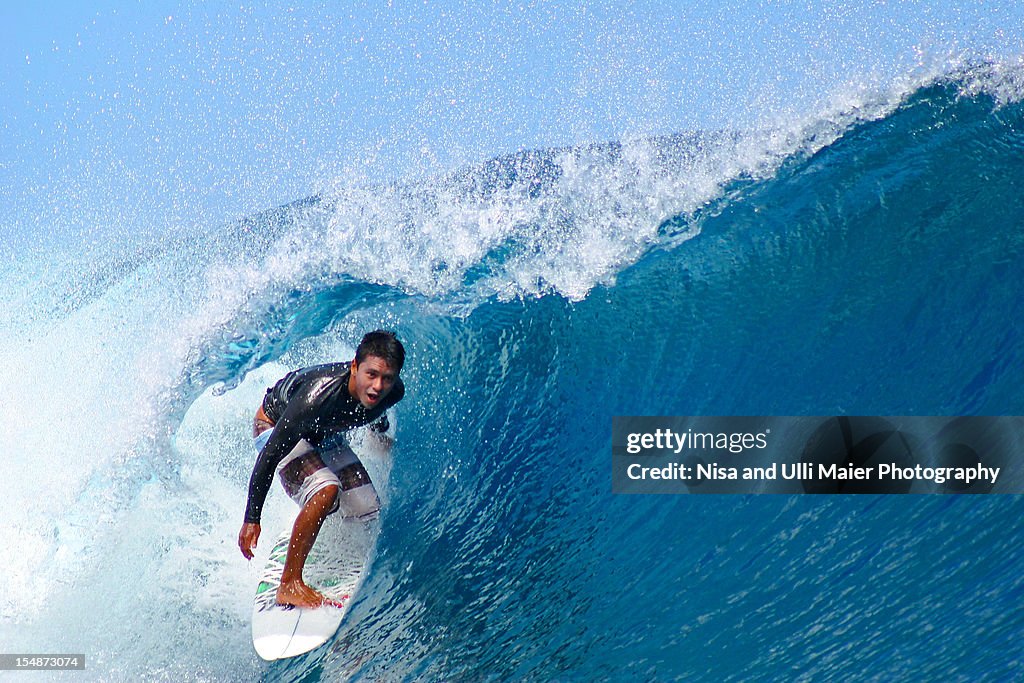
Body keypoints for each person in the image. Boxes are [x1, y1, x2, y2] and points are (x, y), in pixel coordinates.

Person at [238, 330, 406, 608]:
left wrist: (380, 434)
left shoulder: (392, 392)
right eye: (371, 374)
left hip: (321, 432)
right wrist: (252, 518)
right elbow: (269, 456)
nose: (377, 386)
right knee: (326, 489)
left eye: (387, 378)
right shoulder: (316, 399)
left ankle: (313, 518)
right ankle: (289, 584)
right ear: (354, 366)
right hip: (275, 426)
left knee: (366, 507)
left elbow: (377, 411)